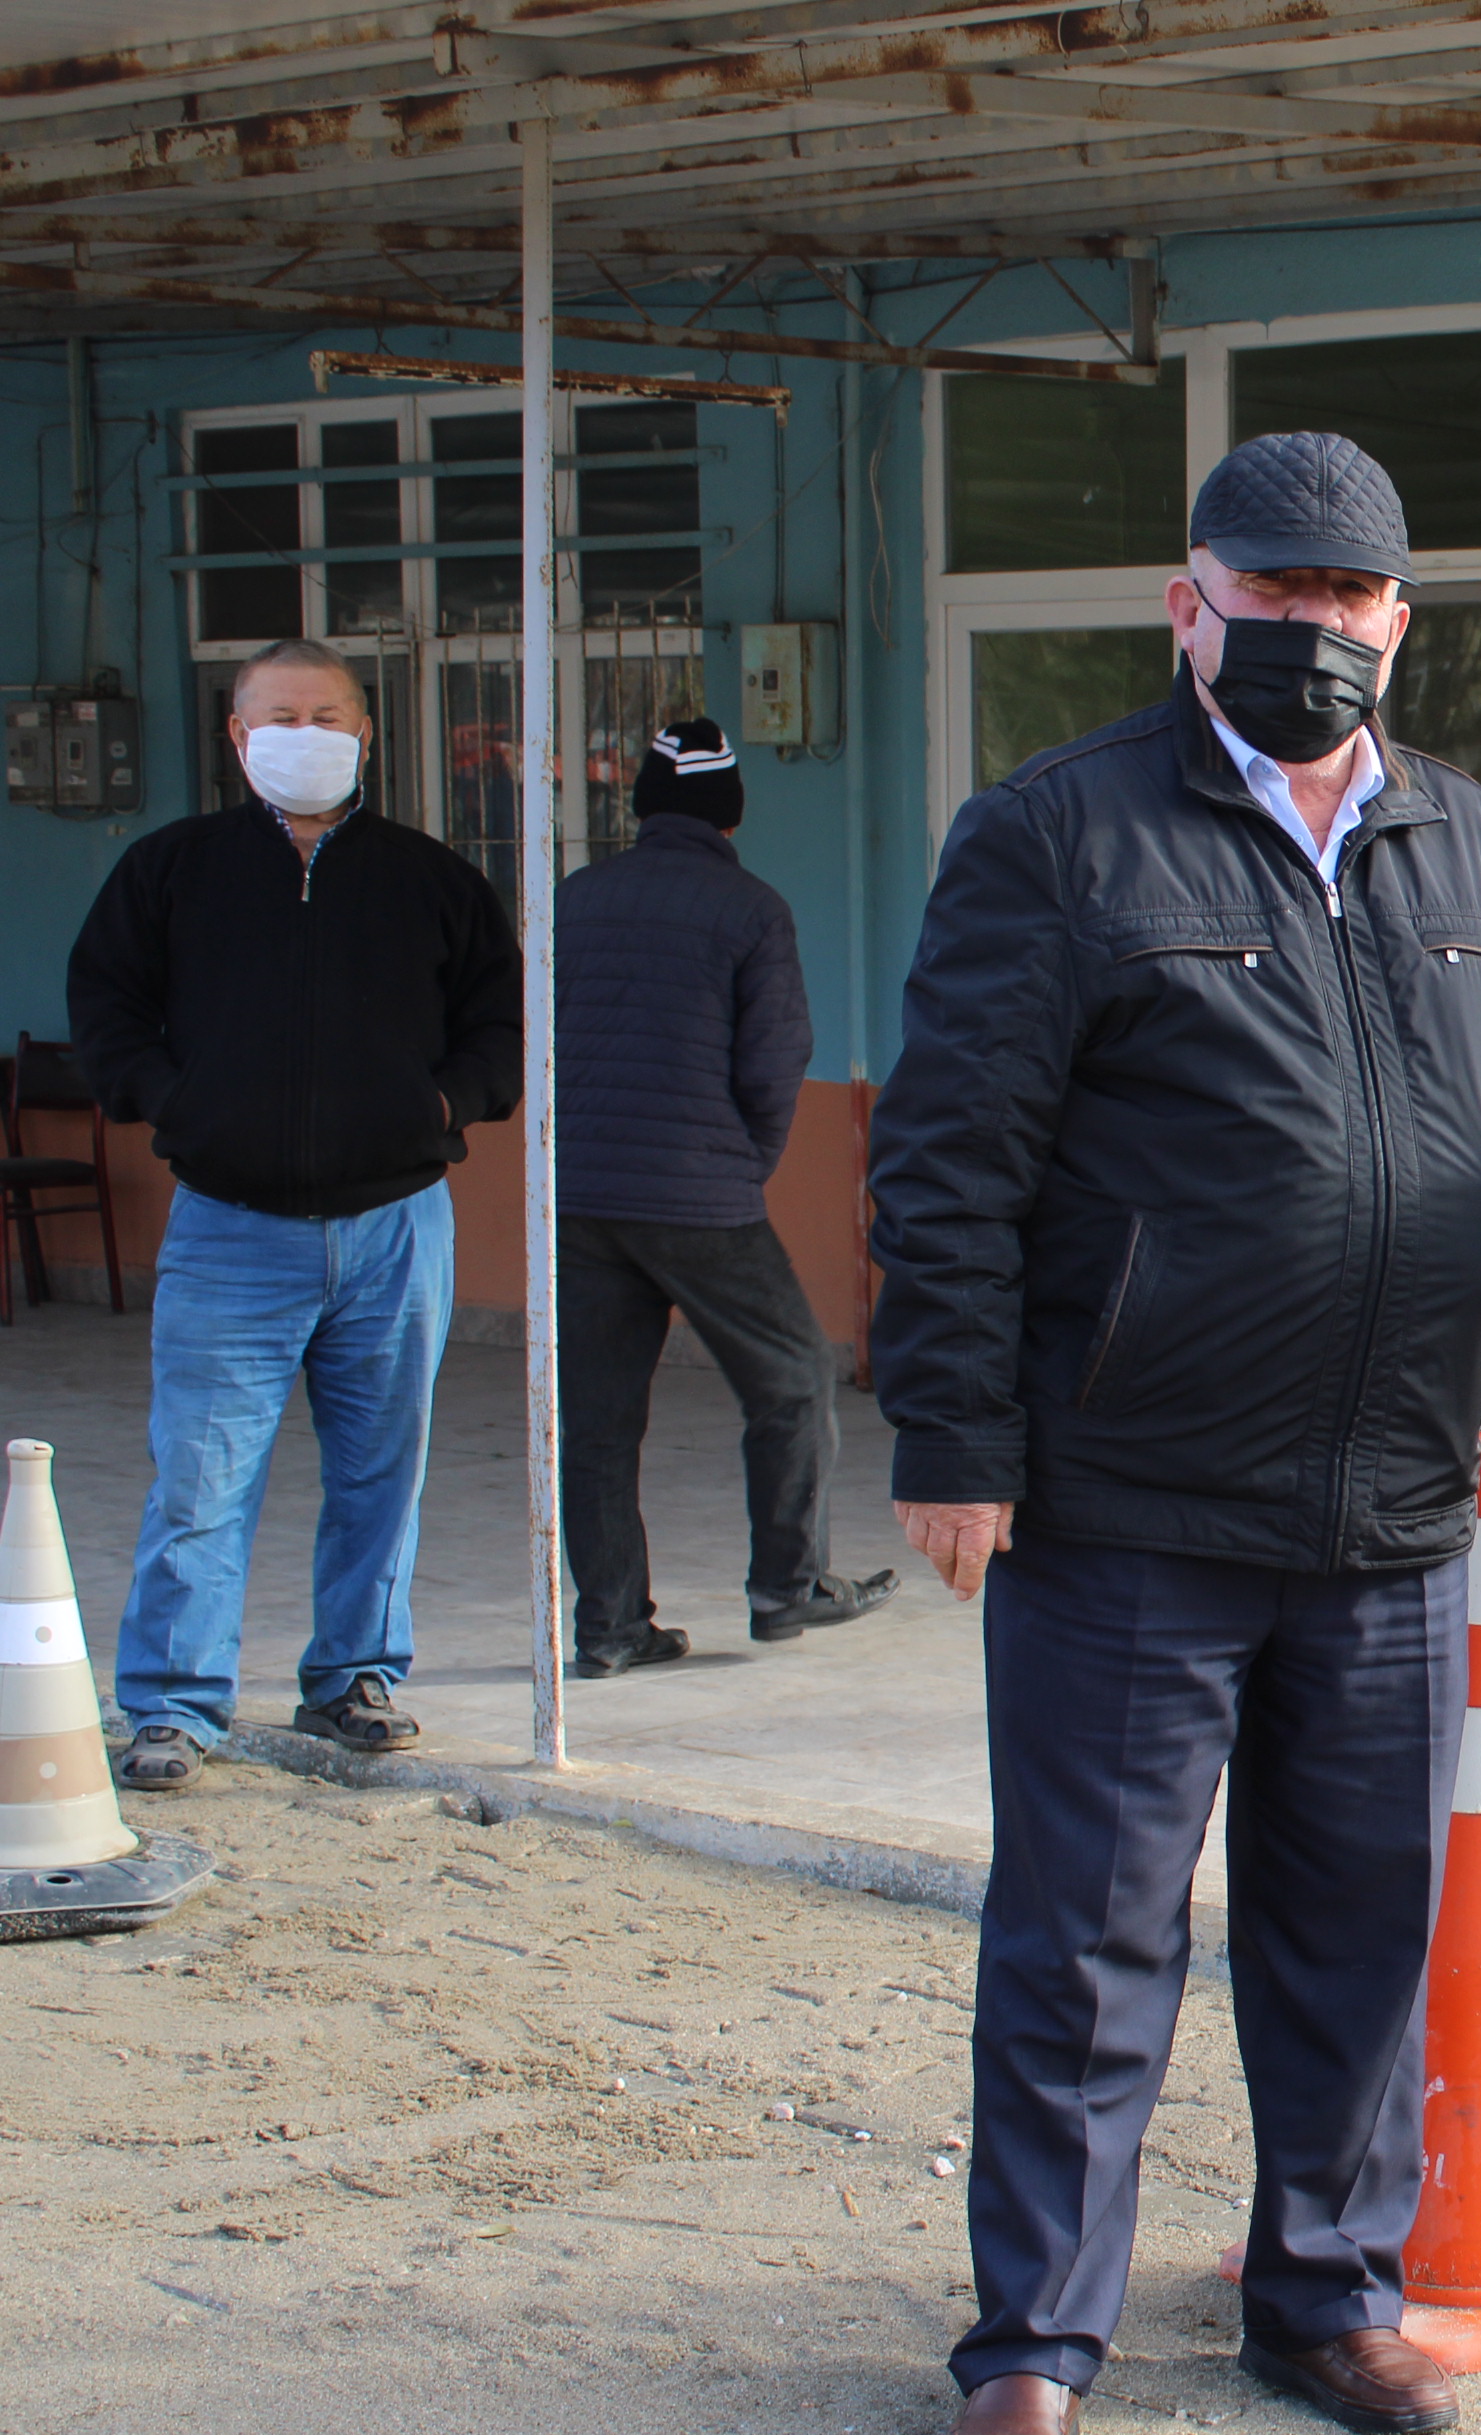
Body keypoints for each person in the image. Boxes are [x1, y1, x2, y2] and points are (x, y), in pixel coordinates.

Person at [869, 431, 1481, 2435]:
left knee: (1359, 1929)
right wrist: (953, 1438)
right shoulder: (1058, 835)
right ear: (1189, 605)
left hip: (1386, 1503)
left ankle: (1327, 2283)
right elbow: (949, 1157)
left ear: (1402, 619)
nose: (1309, 633)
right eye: (1266, 597)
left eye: (1344, 602)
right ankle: (1030, 2349)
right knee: (1091, 1939)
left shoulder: (1469, 838)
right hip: (1128, 1498)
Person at [65, 638, 519, 1792]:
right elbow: (107, 1012)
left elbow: (500, 1027)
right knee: (201, 1476)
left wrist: (443, 1104)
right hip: (229, 1225)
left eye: (325, 714)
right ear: (236, 733)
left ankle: (355, 1676)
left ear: (363, 733)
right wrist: (177, 1106)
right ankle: (171, 1702)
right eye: (278, 713)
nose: (301, 732)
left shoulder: (433, 880)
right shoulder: (169, 873)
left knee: (381, 1468)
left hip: (396, 1225)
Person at [551, 718, 894, 1680]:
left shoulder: (575, 899)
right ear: (728, 817)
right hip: (698, 1193)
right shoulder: (749, 909)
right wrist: (743, 1163)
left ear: (644, 810)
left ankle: (610, 1626)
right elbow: (776, 1060)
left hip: (577, 1195)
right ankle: (788, 1583)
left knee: (598, 1422)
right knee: (790, 1379)